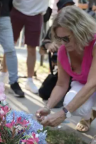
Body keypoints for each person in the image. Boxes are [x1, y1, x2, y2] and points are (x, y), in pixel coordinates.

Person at [36, 5, 96, 133]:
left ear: (80, 31)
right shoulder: (63, 51)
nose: (62, 43)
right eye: (59, 38)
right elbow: (61, 84)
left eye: (66, 38)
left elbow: (92, 84)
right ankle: (89, 114)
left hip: (92, 85)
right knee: (72, 103)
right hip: (89, 87)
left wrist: (63, 114)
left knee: (70, 107)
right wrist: (48, 107)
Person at [0, 0, 48, 94]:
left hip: (37, 13)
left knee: (32, 48)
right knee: (10, 45)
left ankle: (29, 81)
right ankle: (4, 74)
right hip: (18, 9)